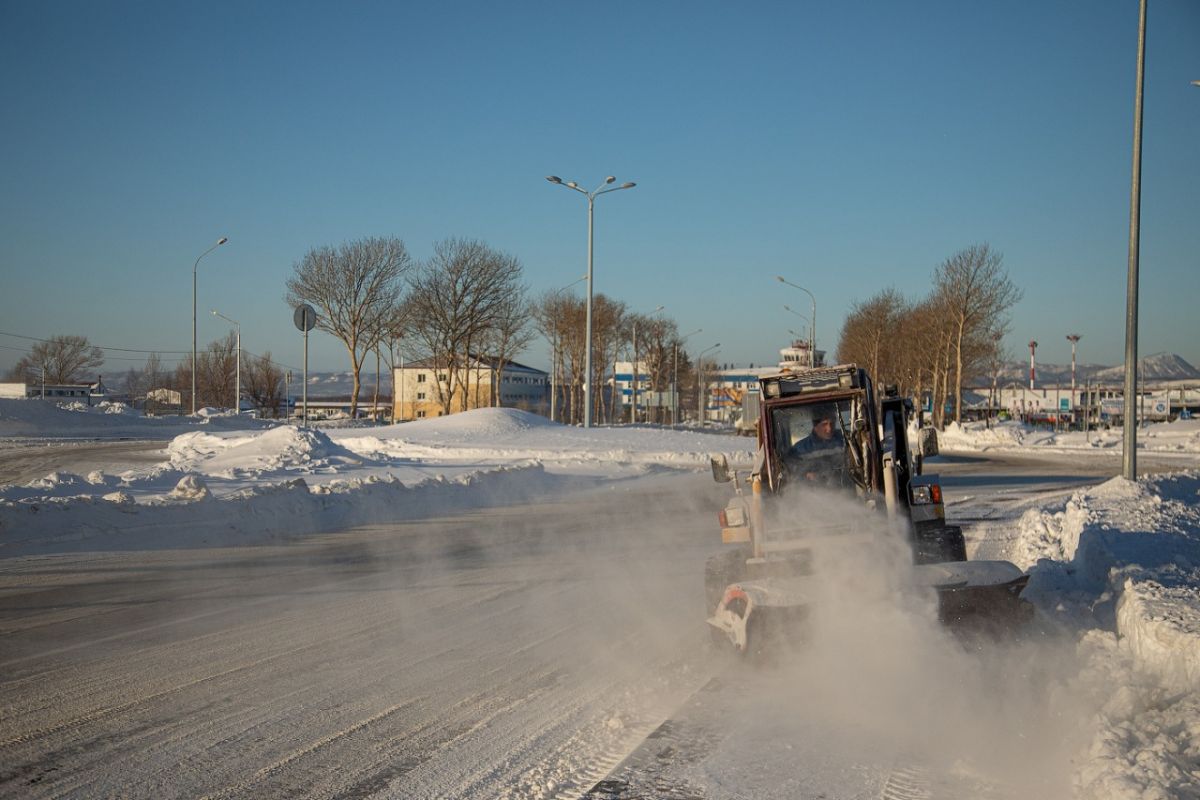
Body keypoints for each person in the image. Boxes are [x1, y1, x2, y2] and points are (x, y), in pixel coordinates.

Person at [787, 405, 845, 482]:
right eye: (824, 424)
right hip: (814, 492)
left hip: (847, 490)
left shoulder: (846, 440)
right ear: (815, 425)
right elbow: (790, 475)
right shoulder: (799, 450)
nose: (829, 429)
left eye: (832, 423)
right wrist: (806, 475)